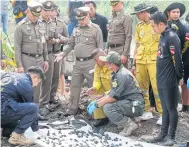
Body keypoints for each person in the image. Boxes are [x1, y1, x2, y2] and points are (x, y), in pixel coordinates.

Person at [54, 6, 103, 116]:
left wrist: (100, 63)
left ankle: (96, 111)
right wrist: (62, 54)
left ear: (88, 16)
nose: (80, 22)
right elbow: (71, 44)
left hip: (91, 63)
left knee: (94, 86)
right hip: (78, 63)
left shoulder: (96, 29)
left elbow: (100, 48)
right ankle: (73, 108)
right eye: (79, 19)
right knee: (74, 85)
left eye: (82, 19)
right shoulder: (76, 29)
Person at [87, 51, 144, 136]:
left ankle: (129, 124)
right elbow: (114, 91)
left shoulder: (121, 75)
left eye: (106, 62)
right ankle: (124, 122)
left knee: (108, 107)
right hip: (130, 102)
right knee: (105, 102)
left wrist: (97, 104)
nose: (105, 63)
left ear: (112, 64)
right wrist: (102, 96)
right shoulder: (118, 72)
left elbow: (113, 97)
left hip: (135, 105)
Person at [148, 12, 183, 146]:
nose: (152, 28)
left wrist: (179, 77)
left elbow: (178, 61)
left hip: (169, 80)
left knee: (171, 108)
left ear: (161, 24)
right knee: (164, 108)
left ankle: (171, 136)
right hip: (161, 78)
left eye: (153, 26)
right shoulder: (163, 36)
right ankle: (162, 134)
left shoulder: (172, 37)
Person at [130, 3, 162, 124]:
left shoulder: (157, 24)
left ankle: (163, 113)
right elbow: (137, 45)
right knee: (142, 88)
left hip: (154, 61)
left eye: (138, 13)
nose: (137, 16)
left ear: (144, 12)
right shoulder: (139, 26)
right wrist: (134, 63)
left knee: (157, 87)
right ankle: (146, 110)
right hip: (141, 60)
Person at [14, 0, 49, 106]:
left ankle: (36, 110)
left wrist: (46, 59)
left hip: (39, 59)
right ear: (28, 11)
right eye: (34, 15)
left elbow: (44, 43)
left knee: (37, 86)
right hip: (27, 59)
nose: (36, 18)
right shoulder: (20, 26)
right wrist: (19, 65)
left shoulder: (41, 25)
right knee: (26, 86)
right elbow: (17, 47)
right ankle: (26, 110)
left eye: (38, 16)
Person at [1, 66, 45, 145]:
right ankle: (16, 138)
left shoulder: (11, 74)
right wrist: (36, 129)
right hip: (3, 110)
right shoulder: (27, 86)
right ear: (35, 77)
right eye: (38, 82)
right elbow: (31, 110)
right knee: (33, 108)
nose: (36, 85)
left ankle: (5, 132)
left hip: (4, 107)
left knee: (11, 129)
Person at [164, 3, 189, 113]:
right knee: (169, 84)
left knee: (183, 84)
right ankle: (169, 107)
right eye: (173, 12)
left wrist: (178, 57)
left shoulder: (184, 27)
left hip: (183, 60)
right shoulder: (164, 26)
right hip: (166, 61)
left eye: (178, 12)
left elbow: (186, 45)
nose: (176, 14)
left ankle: (185, 106)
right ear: (168, 13)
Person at [50, 2, 69, 104]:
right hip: (46, 53)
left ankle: (60, 94)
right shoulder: (41, 23)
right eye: (50, 11)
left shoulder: (61, 24)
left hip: (58, 52)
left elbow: (68, 39)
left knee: (59, 74)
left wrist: (59, 39)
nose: (53, 13)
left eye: (54, 11)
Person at [87, 48, 112, 127]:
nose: (96, 62)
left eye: (96, 60)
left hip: (115, 92)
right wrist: (94, 88)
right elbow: (97, 81)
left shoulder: (112, 66)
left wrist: (105, 95)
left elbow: (118, 88)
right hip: (106, 91)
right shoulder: (97, 67)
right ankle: (102, 118)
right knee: (94, 93)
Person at [108, 0, 132, 67]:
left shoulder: (126, 17)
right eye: (112, 5)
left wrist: (125, 54)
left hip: (120, 50)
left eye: (115, 4)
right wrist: (107, 49)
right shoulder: (112, 17)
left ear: (122, 3)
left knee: (121, 73)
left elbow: (128, 36)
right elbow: (109, 34)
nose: (113, 6)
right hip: (111, 49)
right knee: (111, 74)